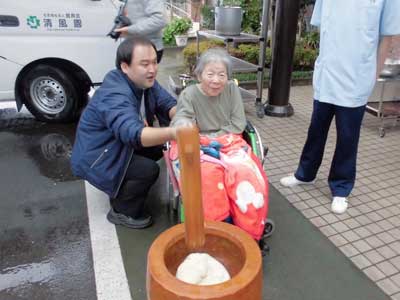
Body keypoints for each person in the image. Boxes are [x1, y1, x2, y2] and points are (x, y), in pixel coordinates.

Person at [280, 0, 400, 214]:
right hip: (328, 74)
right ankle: (304, 174)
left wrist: (373, 75)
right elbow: (323, 31)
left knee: (347, 136)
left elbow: (387, 37)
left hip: (357, 76)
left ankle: (341, 188)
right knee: (316, 129)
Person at [71, 37, 177, 229]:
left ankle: (124, 181)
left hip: (114, 145)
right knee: (148, 170)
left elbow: (167, 104)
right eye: (144, 64)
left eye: (154, 62)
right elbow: (133, 133)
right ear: (125, 67)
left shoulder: (144, 82)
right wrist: (176, 132)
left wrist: (183, 116)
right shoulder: (114, 92)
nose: (152, 69)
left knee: (158, 147)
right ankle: (122, 210)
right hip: (97, 157)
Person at [171, 48, 269, 243]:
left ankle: (248, 232)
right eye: (210, 74)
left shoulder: (232, 90)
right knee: (207, 176)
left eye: (221, 74)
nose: (216, 80)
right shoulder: (189, 94)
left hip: (230, 141)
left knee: (245, 173)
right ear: (199, 75)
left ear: (228, 77)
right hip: (199, 143)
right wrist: (186, 126)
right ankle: (216, 229)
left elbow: (237, 124)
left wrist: (213, 138)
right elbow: (182, 118)